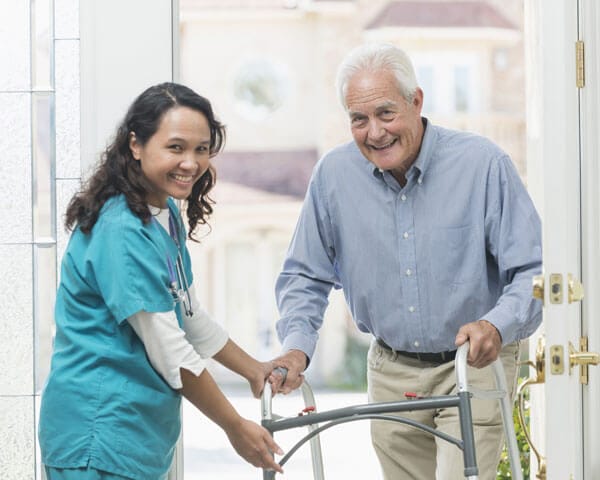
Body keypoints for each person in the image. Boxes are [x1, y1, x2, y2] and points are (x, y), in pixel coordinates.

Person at [269, 43, 542, 479]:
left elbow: (531, 271)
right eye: (359, 119)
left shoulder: (482, 164)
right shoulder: (334, 176)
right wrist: (297, 347)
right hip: (391, 369)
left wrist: (496, 325)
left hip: (470, 366)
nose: (375, 132)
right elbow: (305, 274)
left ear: (416, 101)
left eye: (386, 113)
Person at [38, 82, 284, 480]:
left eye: (201, 149)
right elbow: (171, 350)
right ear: (136, 145)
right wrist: (235, 427)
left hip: (134, 437)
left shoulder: (162, 213)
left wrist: (253, 369)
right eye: (176, 147)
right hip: (97, 434)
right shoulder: (121, 229)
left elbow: (188, 315)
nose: (191, 162)